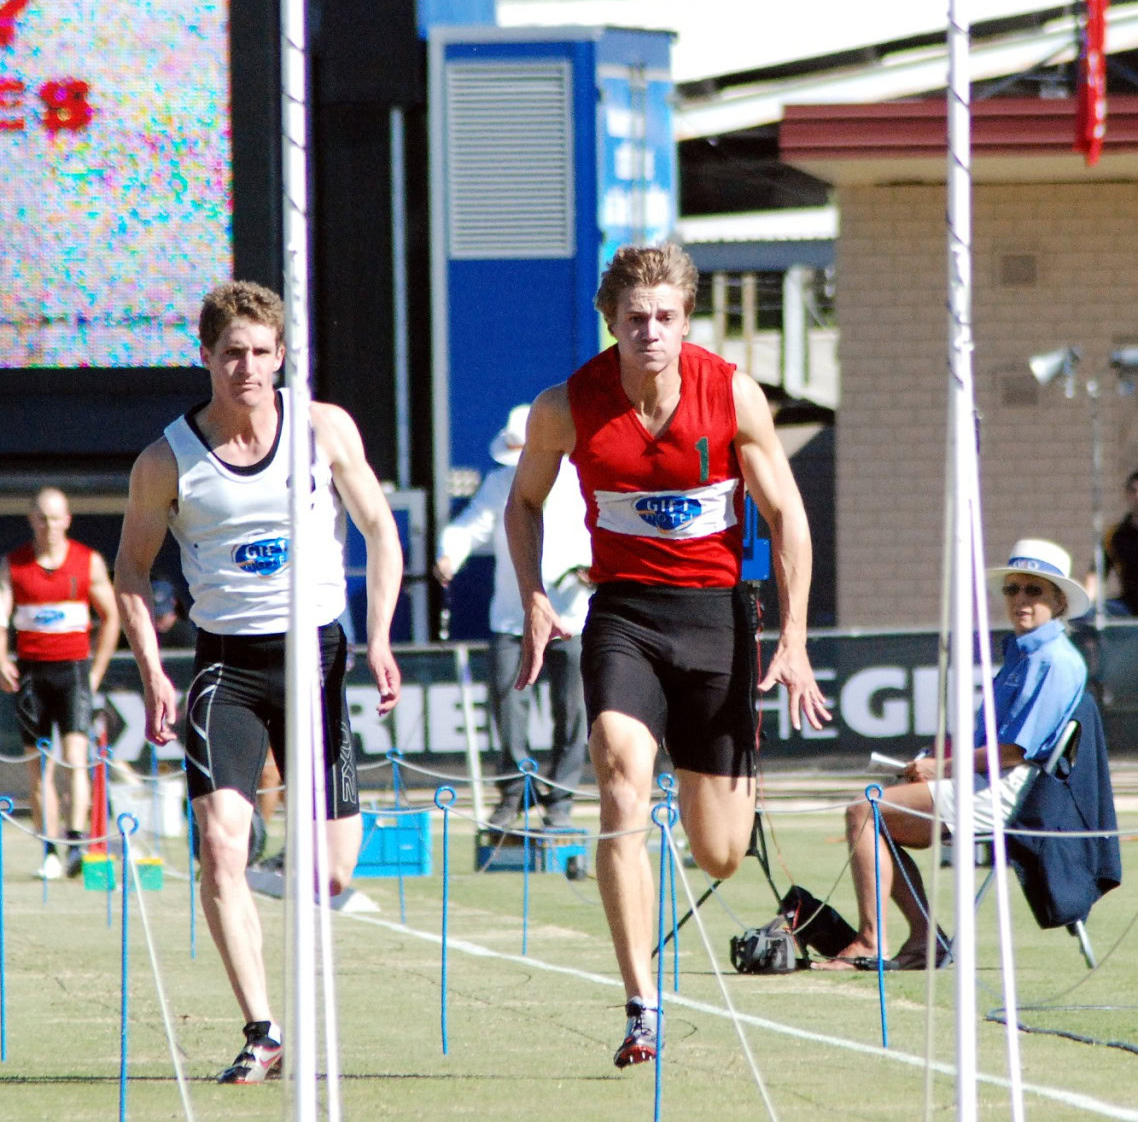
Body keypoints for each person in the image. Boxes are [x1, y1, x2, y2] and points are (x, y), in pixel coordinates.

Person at [504, 242, 830, 1067]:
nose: (650, 333)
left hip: (718, 619)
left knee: (720, 851)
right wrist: (535, 595)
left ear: (687, 320)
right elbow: (524, 505)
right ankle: (641, 1002)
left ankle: (718, 801)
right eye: (634, 320)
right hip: (626, 617)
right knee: (617, 767)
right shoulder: (566, 405)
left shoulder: (732, 395)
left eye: (666, 318)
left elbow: (788, 517)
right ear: (609, 322)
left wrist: (791, 638)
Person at [114, 280, 403, 1085]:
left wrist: (379, 637)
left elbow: (380, 530)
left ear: (282, 356)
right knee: (219, 847)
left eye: (261, 353)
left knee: (337, 871)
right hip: (226, 670)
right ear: (207, 357)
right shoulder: (166, 459)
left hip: (320, 658)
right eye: (232, 353)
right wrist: (152, 671)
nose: (248, 367)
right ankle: (263, 1028)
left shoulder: (321, 429)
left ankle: (273, 873)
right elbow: (131, 571)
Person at [815, 537, 1089, 972]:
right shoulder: (1027, 654)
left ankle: (873, 942)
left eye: (1033, 590)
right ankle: (925, 941)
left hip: (1001, 792)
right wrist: (932, 764)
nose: (1020, 599)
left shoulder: (1054, 660)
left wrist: (937, 767)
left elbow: (1012, 752)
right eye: (1012, 589)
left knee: (863, 812)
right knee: (872, 813)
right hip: (984, 782)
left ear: (1057, 601)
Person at [435, 403, 592, 830]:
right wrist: (449, 554)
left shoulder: (580, 481)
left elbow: (603, 531)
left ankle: (560, 803)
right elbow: (471, 524)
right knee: (507, 707)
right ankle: (513, 792)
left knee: (573, 711)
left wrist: (590, 571)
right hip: (513, 618)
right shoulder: (500, 482)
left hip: (573, 616)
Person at [0, 487, 120, 880]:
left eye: (56, 518)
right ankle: (50, 851)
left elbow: (112, 616)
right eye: (41, 518)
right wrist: (2, 659)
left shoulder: (89, 561)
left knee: (76, 760)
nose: (49, 526)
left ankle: (76, 843)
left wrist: (97, 670)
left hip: (73, 673)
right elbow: (1, 618)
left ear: (67, 519)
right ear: (31, 520)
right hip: (32, 674)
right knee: (39, 770)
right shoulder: (14, 565)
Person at [1085, 469, 1138, 616]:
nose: (1137, 496)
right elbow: (1096, 574)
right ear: (1127, 495)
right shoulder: (1115, 536)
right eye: (1133, 491)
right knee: (1085, 615)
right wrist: (1086, 602)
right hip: (1128, 607)